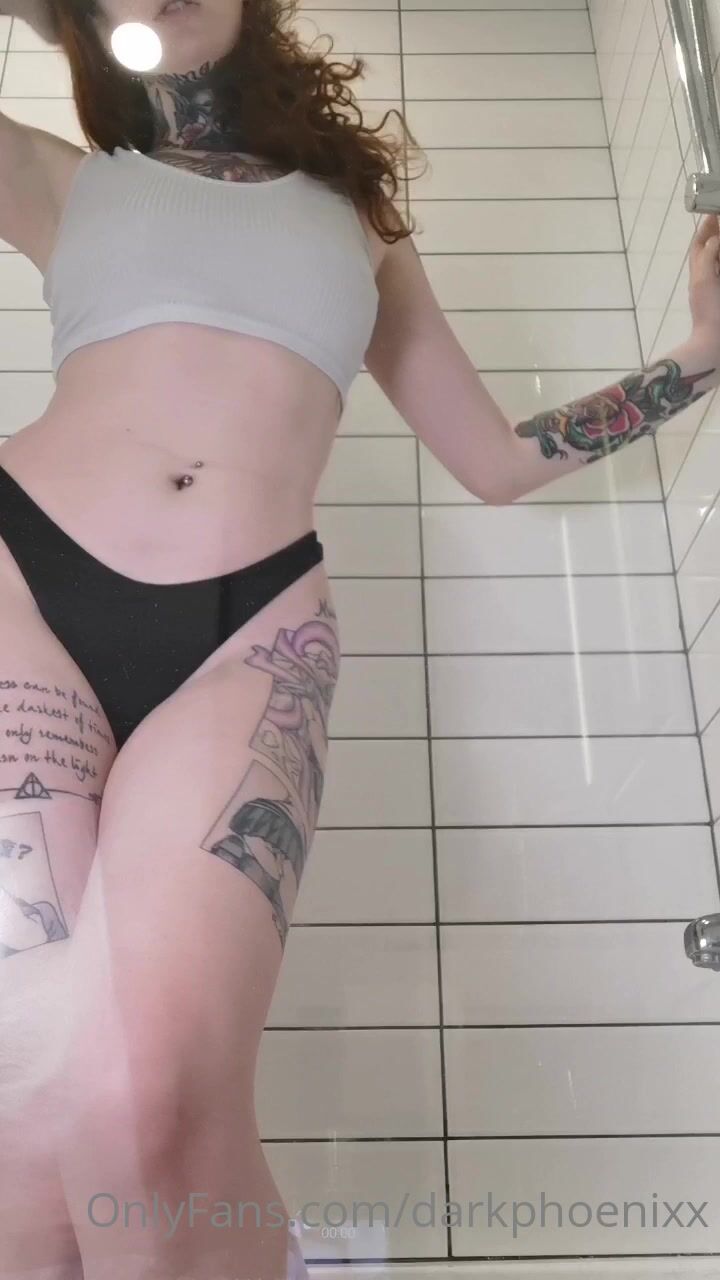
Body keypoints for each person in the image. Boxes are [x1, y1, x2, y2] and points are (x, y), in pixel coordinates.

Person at [0, 0, 719, 1275]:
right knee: (19, 1099)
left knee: (149, 1092)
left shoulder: (359, 225)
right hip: (22, 578)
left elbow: (497, 460)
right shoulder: (65, 177)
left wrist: (704, 355)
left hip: (248, 629)